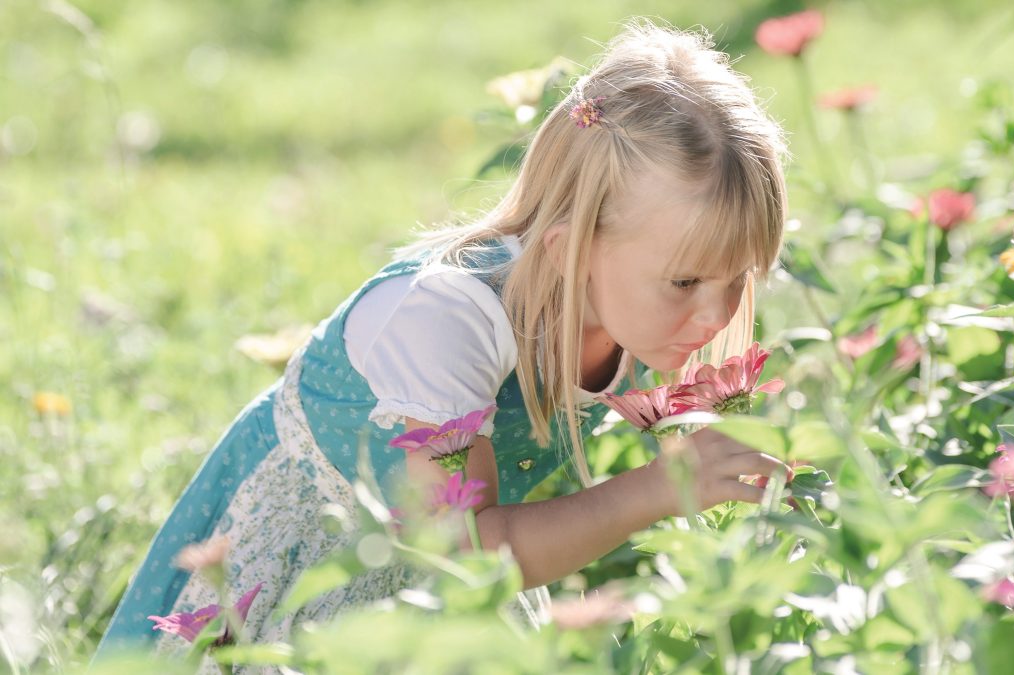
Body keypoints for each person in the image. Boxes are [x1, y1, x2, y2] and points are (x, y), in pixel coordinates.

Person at [95, 18, 792, 666]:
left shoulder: (627, 305)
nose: (716, 313)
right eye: (685, 281)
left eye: (739, 280)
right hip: (321, 563)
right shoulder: (441, 323)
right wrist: (657, 489)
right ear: (571, 250)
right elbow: (467, 548)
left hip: (451, 577)